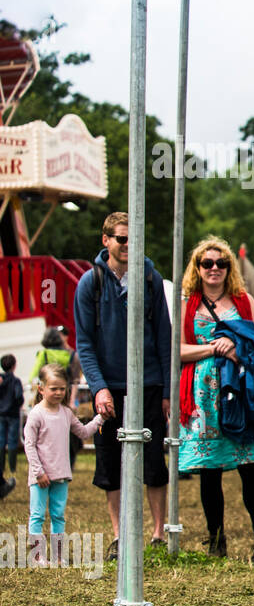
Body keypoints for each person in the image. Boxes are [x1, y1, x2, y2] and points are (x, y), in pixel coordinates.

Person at [178, 237, 254, 563]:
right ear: (198, 268)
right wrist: (214, 348)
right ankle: (216, 542)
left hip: (242, 395)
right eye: (207, 263)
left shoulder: (244, 302)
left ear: (229, 268)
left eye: (221, 263)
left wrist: (238, 349)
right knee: (209, 470)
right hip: (203, 399)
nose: (214, 268)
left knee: (251, 467)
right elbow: (175, 350)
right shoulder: (186, 303)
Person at [73, 211, 172, 560]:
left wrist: (167, 391)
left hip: (148, 382)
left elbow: (164, 334)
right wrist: (98, 387)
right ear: (106, 240)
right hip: (109, 386)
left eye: (133, 238)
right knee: (109, 463)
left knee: (153, 460)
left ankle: (158, 534)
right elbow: (83, 342)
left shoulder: (150, 277)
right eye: (121, 238)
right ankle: (120, 538)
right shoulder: (90, 282)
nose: (128, 244)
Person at [23, 363, 103, 565]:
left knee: (58, 516)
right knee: (38, 515)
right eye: (53, 388)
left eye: (62, 388)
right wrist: (38, 472)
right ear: (41, 389)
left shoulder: (66, 413)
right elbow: (29, 446)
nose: (58, 392)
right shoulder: (36, 415)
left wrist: (100, 418)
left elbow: (84, 432)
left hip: (61, 475)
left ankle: (58, 556)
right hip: (40, 477)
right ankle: (38, 556)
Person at [0, 354, 22, 496]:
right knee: (13, 441)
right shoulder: (15, 381)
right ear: (14, 365)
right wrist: (16, 406)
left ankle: (1, 467)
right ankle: (13, 468)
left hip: (0, 414)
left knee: (1, 441)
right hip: (13, 415)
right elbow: (19, 396)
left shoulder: (0, 380)